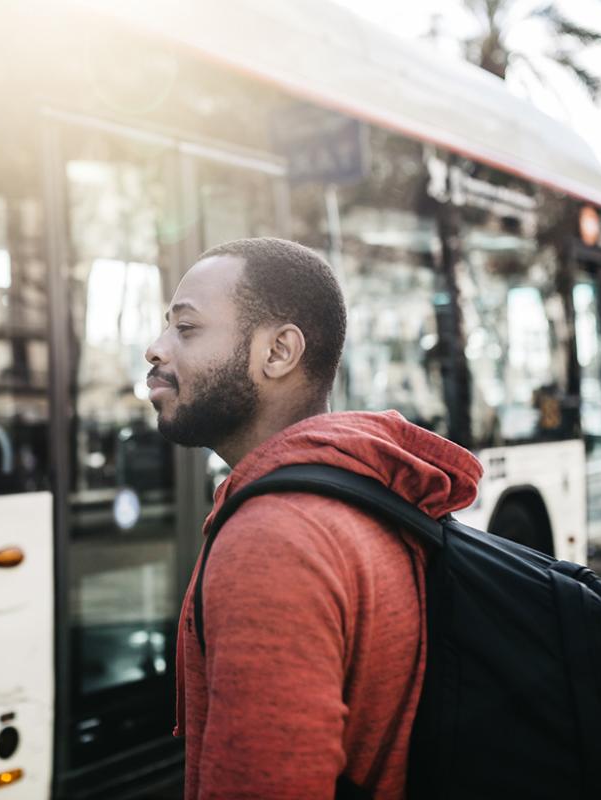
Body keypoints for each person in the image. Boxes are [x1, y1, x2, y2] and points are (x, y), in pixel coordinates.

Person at [144, 237, 482, 799]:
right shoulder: (370, 493)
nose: (155, 349)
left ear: (277, 352)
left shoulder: (272, 543)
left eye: (187, 328)